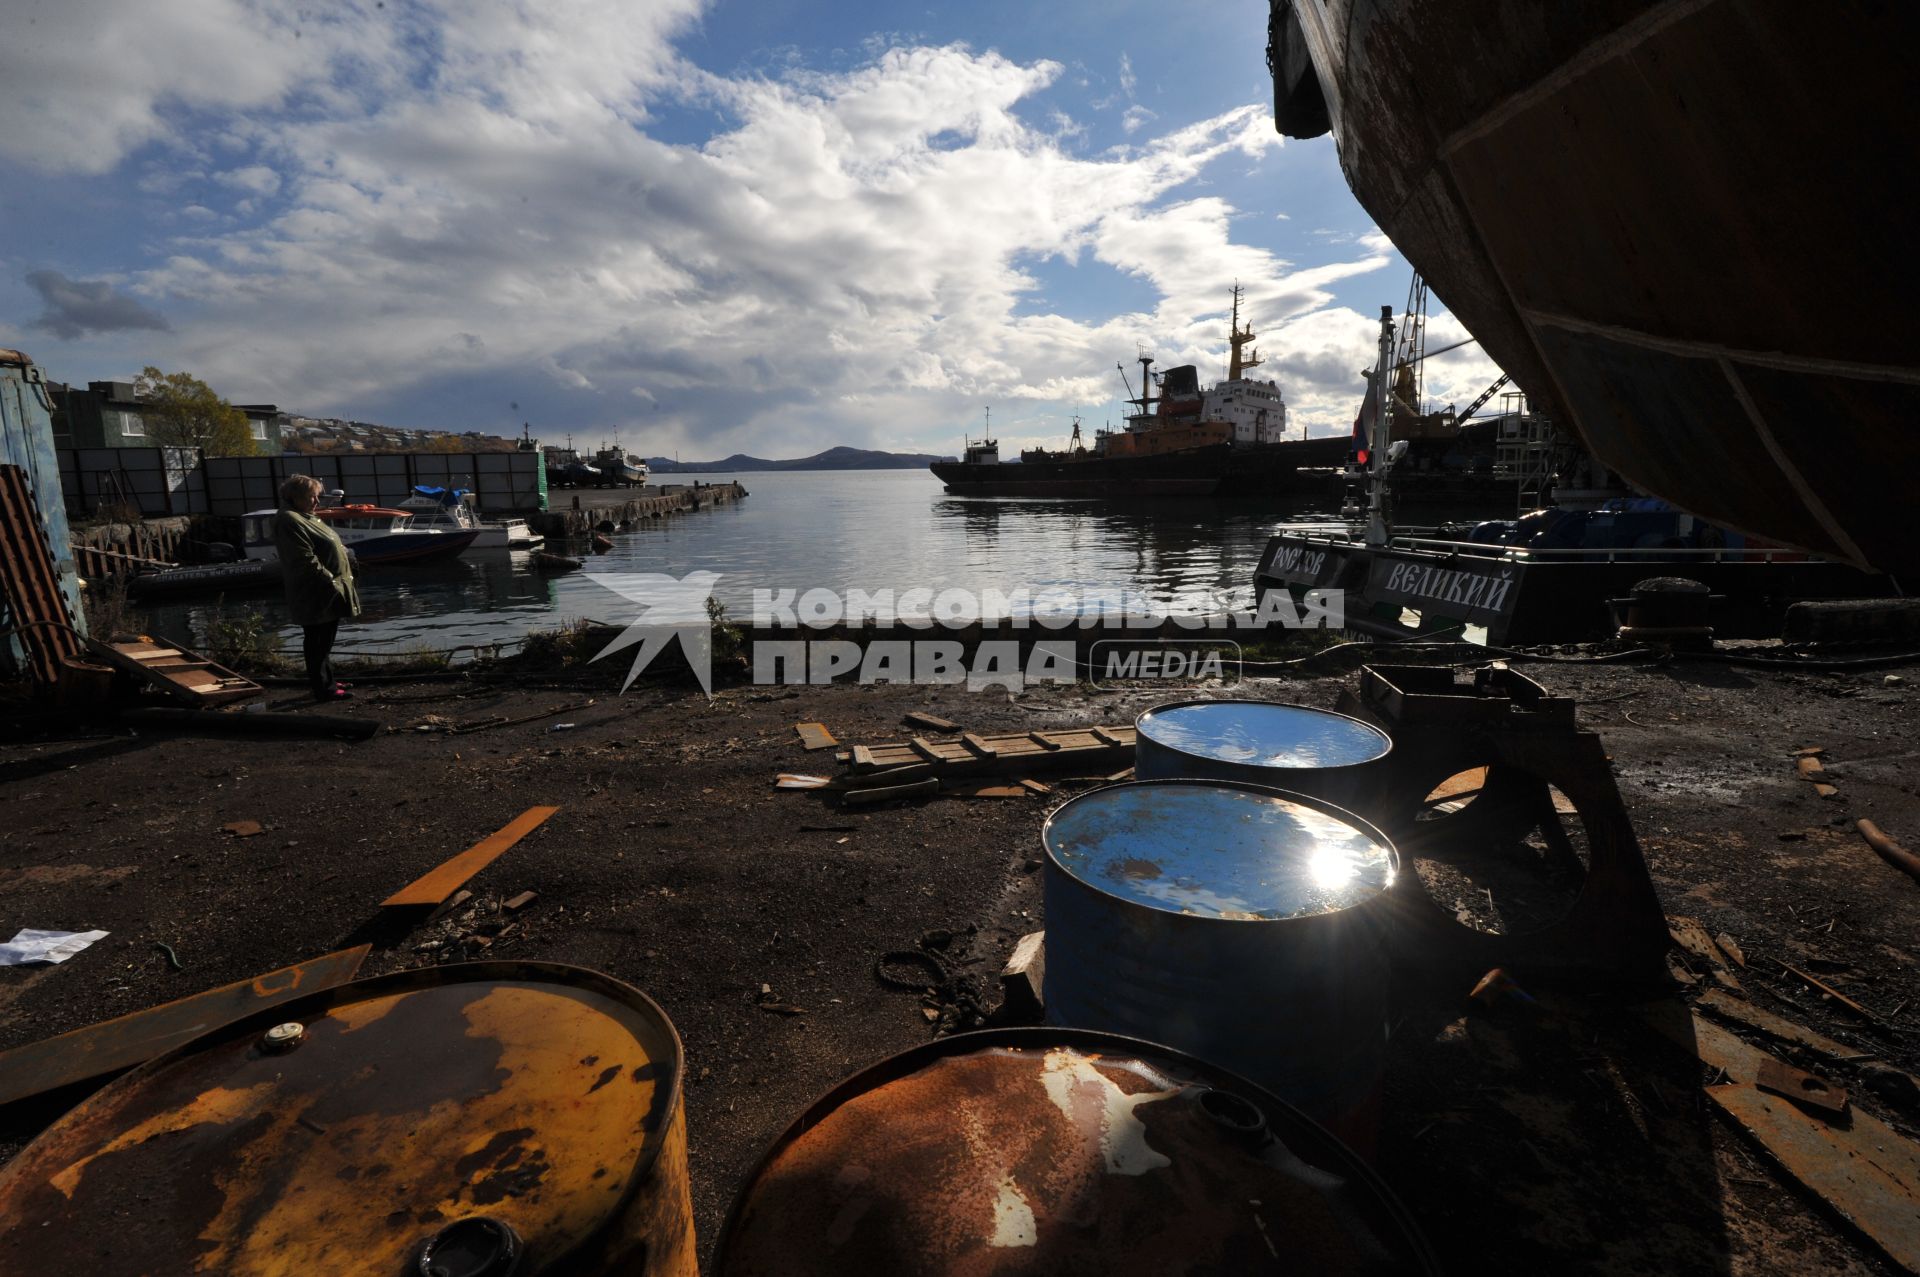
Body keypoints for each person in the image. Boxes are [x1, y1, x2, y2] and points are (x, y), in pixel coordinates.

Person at [273, 474, 361, 701]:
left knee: (325, 639)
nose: (317, 502)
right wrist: (331, 581)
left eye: (317, 497)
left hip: (328, 590)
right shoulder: (289, 520)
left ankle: (327, 679)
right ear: (296, 497)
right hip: (316, 591)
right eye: (312, 497)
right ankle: (324, 689)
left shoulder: (306, 516)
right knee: (317, 640)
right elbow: (304, 559)